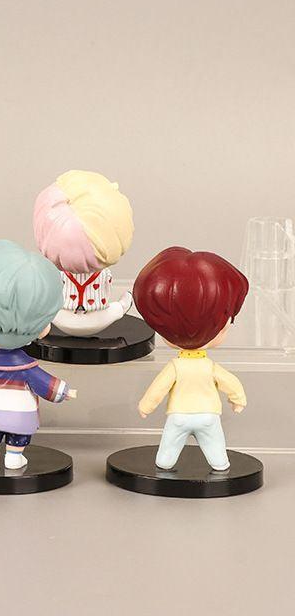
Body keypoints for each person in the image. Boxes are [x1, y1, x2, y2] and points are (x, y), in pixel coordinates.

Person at [0, 240, 77, 470]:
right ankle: (14, 457)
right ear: (44, 328)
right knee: (19, 435)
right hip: (20, 412)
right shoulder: (27, 367)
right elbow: (43, 383)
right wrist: (63, 391)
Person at [134, 247, 249, 471]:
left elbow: (158, 388)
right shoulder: (210, 367)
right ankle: (220, 464)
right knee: (216, 448)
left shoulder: (175, 366)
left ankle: (165, 463)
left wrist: (146, 406)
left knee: (168, 449)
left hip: (178, 415)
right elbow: (231, 382)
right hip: (208, 415)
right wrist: (238, 400)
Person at [33, 169, 134, 337]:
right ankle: (120, 307)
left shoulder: (101, 274)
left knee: (109, 312)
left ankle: (120, 307)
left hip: (93, 312)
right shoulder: (61, 275)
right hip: (65, 312)